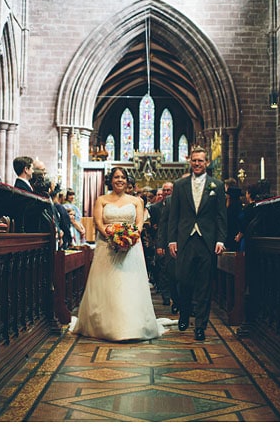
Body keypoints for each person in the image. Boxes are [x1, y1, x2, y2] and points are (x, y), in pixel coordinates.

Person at [70, 167, 173, 341]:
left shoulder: (136, 201)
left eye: (123, 177)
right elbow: (98, 222)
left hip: (131, 247)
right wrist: (112, 236)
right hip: (107, 246)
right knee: (107, 284)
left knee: (129, 284)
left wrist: (130, 237)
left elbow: (139, 223)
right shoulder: (101, 200)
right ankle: (104, 325)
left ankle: (133, 325)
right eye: (116, 177)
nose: (120, 180)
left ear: (127, 181)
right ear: (111, 180)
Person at [166, 146, 228, 342]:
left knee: (204, 285)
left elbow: (221, 216)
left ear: (206, 163)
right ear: (190, 161)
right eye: (194, 160)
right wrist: (172, 240)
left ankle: (200, 326)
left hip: (206, 241)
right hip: (185, 239)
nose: (197, 164)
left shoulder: (216, 186)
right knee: (183, 280)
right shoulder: (180, 185)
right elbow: (174, 215)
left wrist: (220, 239)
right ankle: (184, 312)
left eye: (200, 161)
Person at [151, 182, 177, 311]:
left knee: (177, 272)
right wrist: (159, 244)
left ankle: (176, 298)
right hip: (164, 242)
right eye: (165, 190)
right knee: (165, 270)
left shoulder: (177, 203)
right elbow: (160, 226)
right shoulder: (156, 207)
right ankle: (166, 296)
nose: (167, 192)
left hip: (178, 242)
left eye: (169, 190)